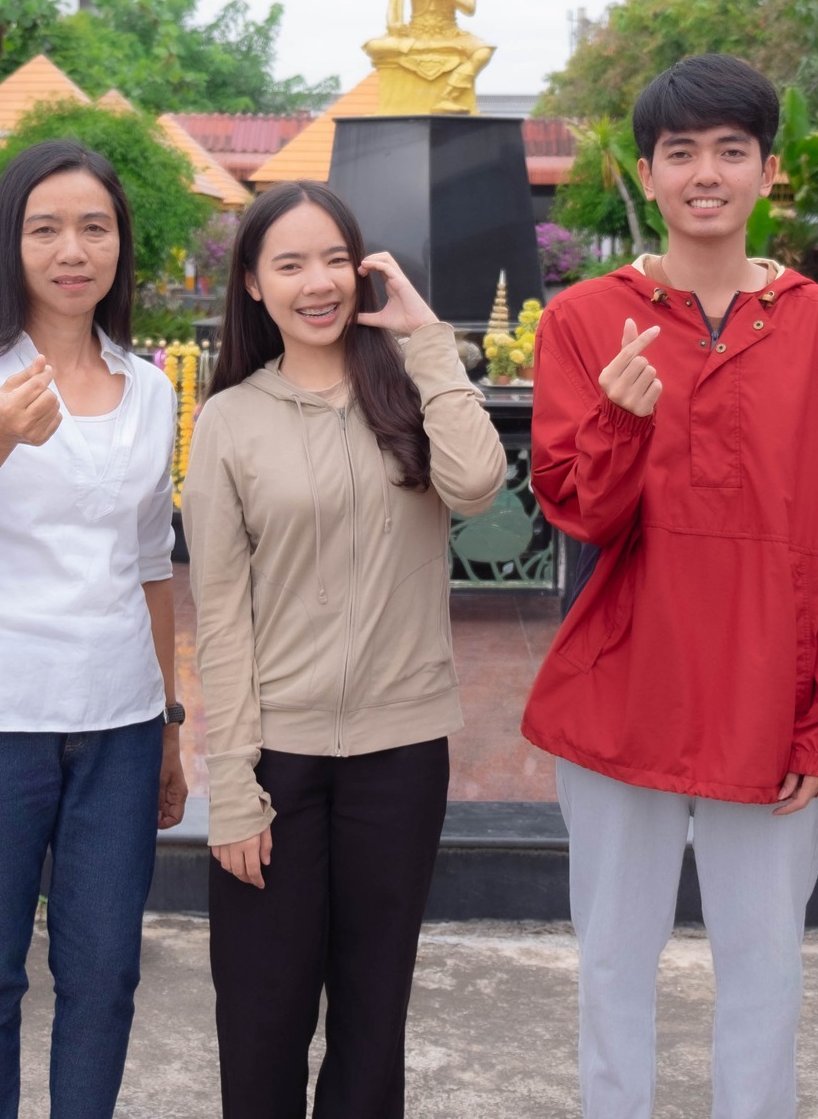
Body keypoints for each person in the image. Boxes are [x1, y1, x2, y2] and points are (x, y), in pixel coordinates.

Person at [520, 54, 818, 1119]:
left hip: (768, 711)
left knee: (763, 971)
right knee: (610, 963)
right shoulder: (588, 320)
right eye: (679, 152)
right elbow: (577, 514)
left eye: (730, 151)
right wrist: (618, 419)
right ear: (646, 174)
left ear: (767, 172)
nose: (704, 173)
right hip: (623, 693)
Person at [182, 180, 507, 1118]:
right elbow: (222, 615)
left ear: (361, 267)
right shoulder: (231, 420)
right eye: (289, 264)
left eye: (334, 258)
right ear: (253, 284)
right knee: (261, 1019)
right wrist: (233, 787)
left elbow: (481, 484)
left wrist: (428, 339)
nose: (316, 282)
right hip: (277, 761)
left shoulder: (407, 391)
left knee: (373, 1021)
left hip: (399, 758)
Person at [0, 141, 187, 1119]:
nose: (71, 250)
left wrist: (171, 726)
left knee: (104, 977)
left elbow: (149, 565)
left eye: (93, 227)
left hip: (119, 724)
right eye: (45, 227)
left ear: (118, 246)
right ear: (8, 246)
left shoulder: (148, 388)